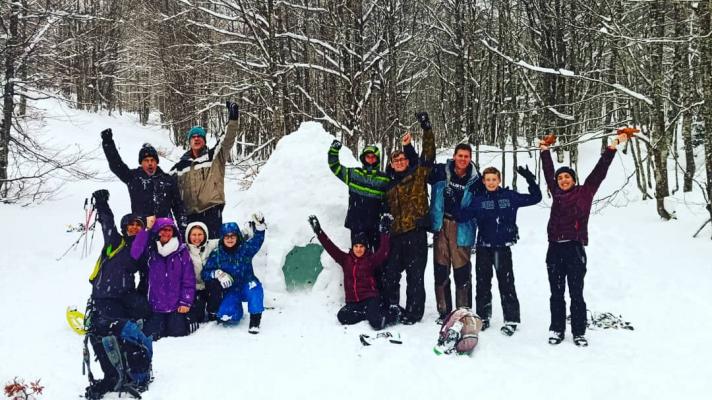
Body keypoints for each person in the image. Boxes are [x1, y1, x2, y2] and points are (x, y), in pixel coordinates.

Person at [540, 131, 629, 347]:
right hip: (554, 249)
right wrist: (544, 150)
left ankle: (579, 331)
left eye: (566, 177)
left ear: (573, 179)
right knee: (556, 293)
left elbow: (600, 171)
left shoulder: (585, 192)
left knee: (576, 293)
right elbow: (548, 170)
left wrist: (613, 146)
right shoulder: (556, 192)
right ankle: (556, 329)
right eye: (560, 178)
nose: (562, 180)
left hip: (575, 249)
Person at [84, 189, 153, 400]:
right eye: (130, 224)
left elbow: (146, 275)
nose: (133, 227)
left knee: (114, 332)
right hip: (102, 297)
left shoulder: (142, 249)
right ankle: (111, 376)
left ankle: (133, 372)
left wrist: (140, 299)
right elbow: (107, 222)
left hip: (121, 298)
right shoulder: (115, 241)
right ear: (125, 227)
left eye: (138, 224)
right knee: (99, 334)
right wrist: (103, 203)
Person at [456, 166, 541, 335]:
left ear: (499, 180)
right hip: (484, 247)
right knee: (483, 283)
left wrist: (530, 180)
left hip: (503, 248)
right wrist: (459, 196)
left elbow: (535, 198)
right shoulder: (478, 200)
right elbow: (461, 216)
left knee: (507, 283)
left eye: (494, 179)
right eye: (487, 180)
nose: (491, 182)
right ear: (484, 181)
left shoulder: (509, 197)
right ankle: (483, 317)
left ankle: (511, 319)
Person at [382, 112, 435, 325]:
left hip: (416, 233)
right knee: (391, 274)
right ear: (392, 164)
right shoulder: (388, 184)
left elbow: (429, 153)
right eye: (396, 160)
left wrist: (426, 128)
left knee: (415, 277)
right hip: (395, 236)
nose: (400, 162)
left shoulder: (418, 175)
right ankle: (393, 307)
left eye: (403, 158)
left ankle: (414, 313)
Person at [328, 133, 416, 252]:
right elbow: (335, 167)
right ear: (363, 158)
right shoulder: (354, 174)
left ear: (377, 159)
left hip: (376, 225)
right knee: (358, 257)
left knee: (377, 259)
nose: (370, 159)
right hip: (356, 224)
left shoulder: (384, 179)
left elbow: (395, 194)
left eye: (373, 156)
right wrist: (334, 150)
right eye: (368, 156)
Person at [428, 142, 485, 322]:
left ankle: (463, 310)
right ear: (454, 156)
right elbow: (420, 166)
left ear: (470, 158)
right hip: (441, 224)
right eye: (460, 155)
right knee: (441, 268)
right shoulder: (440, 172)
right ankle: (444, 311)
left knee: (462, 269)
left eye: (466, 156)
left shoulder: (477, 180)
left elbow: (483, 204)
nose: (462, 159)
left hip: (463, 227)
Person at [308, 214, 392, 330]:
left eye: (361, 246)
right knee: (342, 316)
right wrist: (319, 232)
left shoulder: (370, 260)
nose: (358, 249)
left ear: (365, 248)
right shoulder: (345, 259)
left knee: (377, 323)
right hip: (353, 302)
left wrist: (385, 232)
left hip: (370, 298)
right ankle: (367, 314)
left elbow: (383, 251)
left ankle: (393, 313)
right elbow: (330, 247)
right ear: (352, 247)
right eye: (356, 246)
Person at [171, 102, 240, 238]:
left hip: (211, 212)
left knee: (212, 250)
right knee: (193, 255)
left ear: (204, 140)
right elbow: (165, 186)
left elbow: (227, 139)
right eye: (193, 137)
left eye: (199, 136)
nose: (196, 138)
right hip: (189, 217)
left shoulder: (214, 157)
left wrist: (233, 119)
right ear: (189, 141)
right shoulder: (180, 166)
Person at [101, 129, 187, 234]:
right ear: (141, 163)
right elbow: (116, 164)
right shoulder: (133, 178)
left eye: (152, 160)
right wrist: (108, 143)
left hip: (164, 230)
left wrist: (183, 230)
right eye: (146, 161)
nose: (150, 163)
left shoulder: (168, 180)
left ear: (156, 162)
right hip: (141, 230)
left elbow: (178, 207)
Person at [130, 216, 195, 340]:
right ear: (157, 231)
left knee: (178, 336)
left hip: (176, 307)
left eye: (169, 230)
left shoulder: (182, 252)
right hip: (155, 307)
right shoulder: (151, 250)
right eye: (163, 229)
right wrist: (147, 229)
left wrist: (185, 301)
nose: (166, 233)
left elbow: (188, 278)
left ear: (174, 232)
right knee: (152, 337)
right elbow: (135, 252)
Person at [201, 213, 267, 334]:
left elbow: (257, 240)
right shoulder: (217, 254)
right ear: (222, 238)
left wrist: (260, 227)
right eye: (227, 237)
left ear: (237, 237)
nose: (230, 239)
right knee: (227, 315)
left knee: (255, 290)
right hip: (231, 289)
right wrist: (217, 274)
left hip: (247, 283)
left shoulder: (245, 249)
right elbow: (205, 273)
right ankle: (237, 310)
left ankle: (255, 319)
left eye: (233, 236)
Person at [185, 222, 221, 325]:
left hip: (209, 285)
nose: (197, 238)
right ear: (188, 235)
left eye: (200, 234)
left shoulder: (211, 245)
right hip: (194, 288)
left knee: (215, 287)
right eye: (194, 235)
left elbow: (230, 238)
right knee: (198, 317)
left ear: (205, 234)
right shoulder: (184, 249)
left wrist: (249, 231)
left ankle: (213, 310)